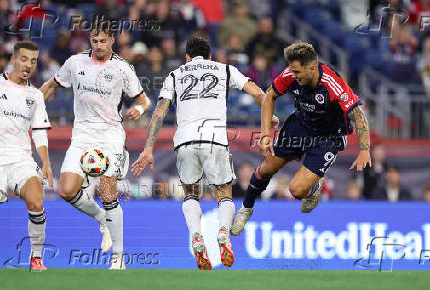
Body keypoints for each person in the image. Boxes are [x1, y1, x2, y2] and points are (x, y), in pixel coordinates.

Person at [131, 36, 278, 270]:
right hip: (215, 139)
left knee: (190, 194)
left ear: (187, 57)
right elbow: (260, 93)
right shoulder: (225, 69)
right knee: (225, 195)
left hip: (185, 141)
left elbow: (158, 112)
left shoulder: (174, 75)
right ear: (210, 55)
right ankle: (222, 233)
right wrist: (268, 118)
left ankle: (196, 236)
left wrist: (148, 149)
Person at [39, 21, 151, 270]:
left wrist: (139, 108)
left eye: (103, 41)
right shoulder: (75, 63)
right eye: (94, 41)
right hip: (81, 136)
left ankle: (118, 258)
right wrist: (34, 106)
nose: (98, 45)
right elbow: (50, 86)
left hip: (110, 135)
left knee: (108, 192)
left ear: (112, 40)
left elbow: (145, 100)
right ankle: (101, 218)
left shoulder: (122, 68)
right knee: (66, 190)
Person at [231, 41, 372, 236]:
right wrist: (264, 135)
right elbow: (270, 95)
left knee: (296, 191)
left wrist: (364, 150)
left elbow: (358, 115)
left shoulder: (332, 84)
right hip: (302, 125)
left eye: (297, 72)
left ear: (312, 68)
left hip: (329, 136)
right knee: (267, 168)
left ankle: (315, 184)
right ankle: (246, 208)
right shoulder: (291, 73)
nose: (293, 76)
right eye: (292, 70)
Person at [0, 41, 53, 271]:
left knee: (37, 200)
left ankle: (36, 258)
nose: (28, 64)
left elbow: (39, 132)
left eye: (33, 60)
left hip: (21, 159)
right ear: (13, 60)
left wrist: (46, 161)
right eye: (24, 59)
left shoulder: (35, 96)